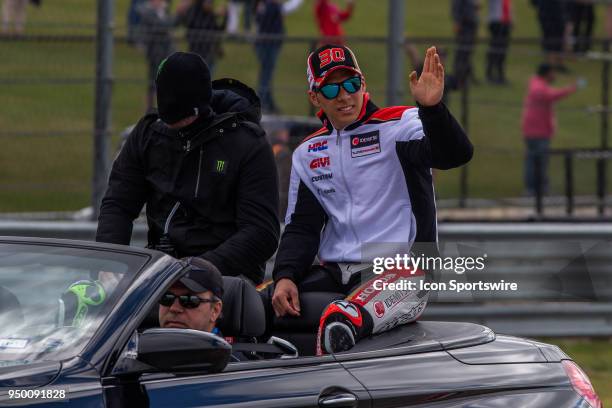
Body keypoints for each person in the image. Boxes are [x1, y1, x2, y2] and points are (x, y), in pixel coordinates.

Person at [271, 44, 473, 355]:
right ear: (315, 97)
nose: (344, 95)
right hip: (336, 273)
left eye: (351, 84)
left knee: (341, 320)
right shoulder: (307, 153)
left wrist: (433, 109)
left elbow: (455, 154)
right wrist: (285, 275)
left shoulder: (401, 125)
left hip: (404, 271)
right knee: (256, 307)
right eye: (332, 87)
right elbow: (301, 228)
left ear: (363, 84)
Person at [96, 51, 280, 285]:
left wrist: (196, 271)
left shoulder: (246, 143)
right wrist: (111, 261)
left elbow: (261, 232)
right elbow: (118, 203)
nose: (174, 126)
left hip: (226, 275)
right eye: (168, 120)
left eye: (181, 119)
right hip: (161, 269)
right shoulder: (149, 134)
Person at [521, 63, 580, 196]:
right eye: (553, 72)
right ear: (547, 73)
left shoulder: (536, 83)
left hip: (535, 129)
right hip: (537, 131)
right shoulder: (538, 87)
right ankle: (536, 189)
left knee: (534, 159)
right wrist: (572, 88)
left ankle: (536, 188)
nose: (555, 75)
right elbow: (551, 95)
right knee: (539, 160)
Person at [254, 0, 303, 113]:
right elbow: (288, 9)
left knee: (266, 73)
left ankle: (268, 101)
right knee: (266, 74)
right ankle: (263, 102)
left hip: (263, 44)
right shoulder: (272, 6)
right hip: (269, 45)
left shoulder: (263, 5)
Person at [159, 257, 224, 334]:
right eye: (166, 298)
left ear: (215, 311)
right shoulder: (143, 343)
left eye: (189, 300)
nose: (174, 308)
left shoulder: (225, 346)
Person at [138, 0, 176, 111]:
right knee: (153, 82)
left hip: (167, 53)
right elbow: (162, 27)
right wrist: (178, 14)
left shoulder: (164, 12)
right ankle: (150, 108)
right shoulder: (148, 13)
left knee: (166, 82)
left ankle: (165, 107)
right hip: (155, 54)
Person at [176, 0, 228, 75]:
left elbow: (218, 30)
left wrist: (225, 16)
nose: (209, 5)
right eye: (207, 2)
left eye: (210, 3)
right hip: (197, 51)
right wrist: (215, 14)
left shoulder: (210, 15)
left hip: (209, 52)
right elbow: (196, 25)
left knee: (208, 76)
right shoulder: (195, 11)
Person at [452, 0, 480, 87]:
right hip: (464, 27)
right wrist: (457, 22)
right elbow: (456, 6)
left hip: (471, 26)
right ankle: (459, 78)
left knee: (467, 53)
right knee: (462, 52)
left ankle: (467, 76)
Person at [485, 0, 512, 85]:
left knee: (501, 50)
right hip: (497, 22)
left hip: (504, 22)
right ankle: (491, 75)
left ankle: (499, 75)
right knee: (496, 49)